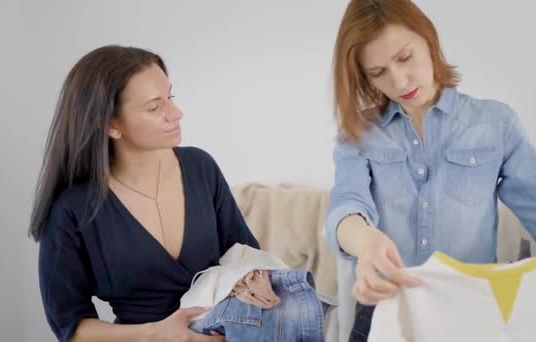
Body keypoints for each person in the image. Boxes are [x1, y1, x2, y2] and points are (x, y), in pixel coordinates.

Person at [325, 1, 536, 341]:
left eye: (404, 57)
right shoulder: (358, 134)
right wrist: (366, 243)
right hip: (388, 309)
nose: (399, 80)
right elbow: (347, 206)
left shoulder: (495, 123)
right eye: (378, 72)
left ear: (428, 39)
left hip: (471, 309)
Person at [30, 45, 324, 342]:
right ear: (110, 125)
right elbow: (72, 328)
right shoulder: (72, 209)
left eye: (170, 97)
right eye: (155, 107)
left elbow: (243, 253)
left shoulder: (200, 168)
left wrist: (254, 278)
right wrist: (156, 334)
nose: (176, 113)